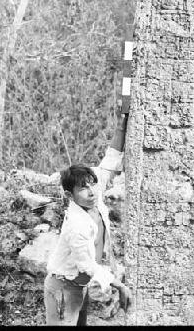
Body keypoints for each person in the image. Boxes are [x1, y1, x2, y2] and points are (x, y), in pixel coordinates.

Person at [44, 113, 131, 326]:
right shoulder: (76, 224)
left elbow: (110, 161)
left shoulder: (94, 195)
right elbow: (85, 265)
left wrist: (122, 125)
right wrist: (119, 285)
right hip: (63, 286)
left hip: (79, 286)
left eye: (92, 184)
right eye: (83, 188)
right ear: (69, 195)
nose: (91, 192)